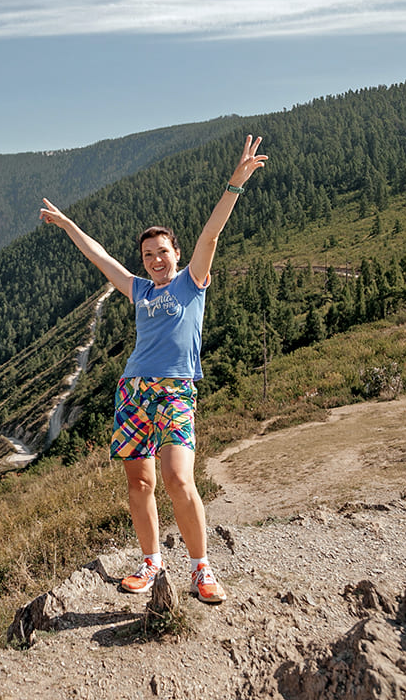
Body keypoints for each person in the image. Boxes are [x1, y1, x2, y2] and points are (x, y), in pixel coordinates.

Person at [39, 134, 267, 604]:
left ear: (176, 254)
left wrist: (236, 183)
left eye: (163, 251)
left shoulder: (192, 282)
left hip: (176, 390)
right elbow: (99, 257)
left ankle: (201, 569)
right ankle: (151, 562)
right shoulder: (140, 290)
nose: (156, 259)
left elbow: (210, 235)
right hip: (133, 390)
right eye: (148, 255)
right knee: (140, 482)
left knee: (179, 478)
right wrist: (68, 225)